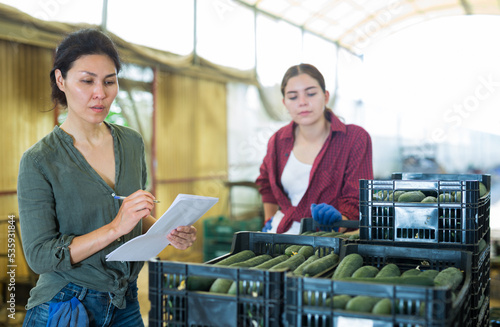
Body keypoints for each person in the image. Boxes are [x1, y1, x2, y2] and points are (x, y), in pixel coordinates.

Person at [17, 28, 197, 327]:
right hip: (67, 305)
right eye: (87, 81)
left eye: (109, 81)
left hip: (125, 301)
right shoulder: (40, 160)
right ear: (61, 80)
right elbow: (39, 256)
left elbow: (136, 218)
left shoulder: (131, 142)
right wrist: (116, 227)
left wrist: (167, 231)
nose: (100, 93)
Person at [256, 63, 373, 234]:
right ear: (284, 103)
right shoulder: (278, 141)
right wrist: (270, 220)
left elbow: (357, 199)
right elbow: (266, 185)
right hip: (280, 236)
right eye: (293, 97)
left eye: (311, 94)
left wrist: (339, 222)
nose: (302, 102)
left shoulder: (354, 138)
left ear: (325, 97)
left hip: (330, 240)